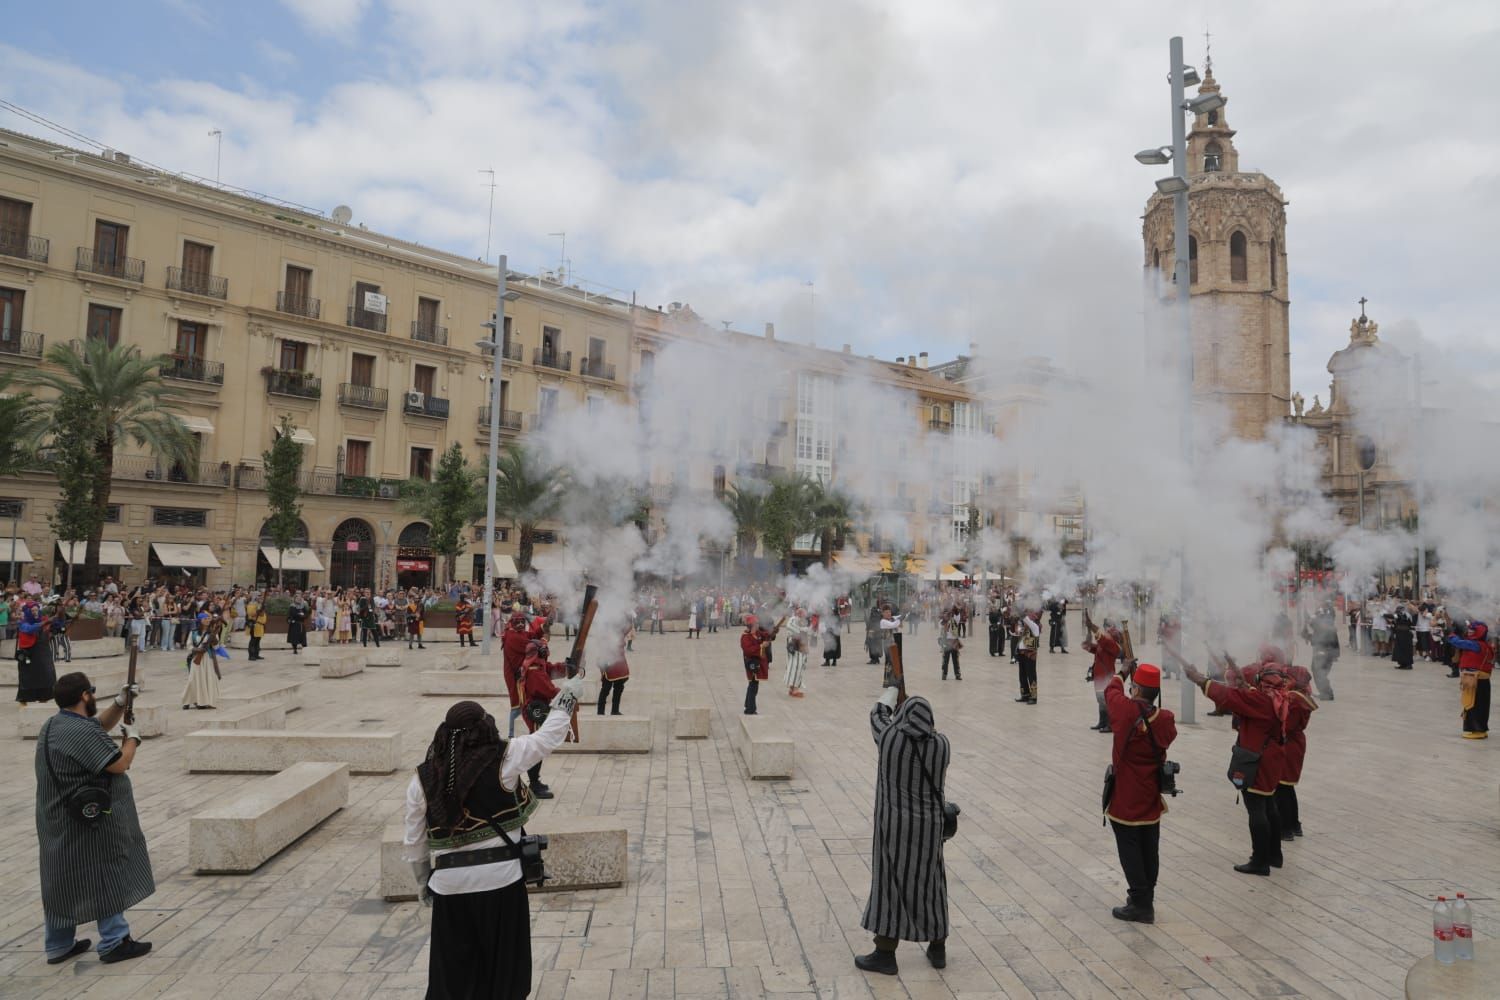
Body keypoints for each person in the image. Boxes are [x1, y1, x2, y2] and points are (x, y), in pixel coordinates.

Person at [402, 679, 584, 999]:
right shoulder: (506, 756)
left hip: (449, 886)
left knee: (454, 979)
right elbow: (546, 738)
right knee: (504, 975)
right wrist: (567, 698)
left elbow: (415, 842)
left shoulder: (422, 777)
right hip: (501, 883)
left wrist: (422, 884)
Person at [35, 672, 154, 965]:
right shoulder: (79, 732)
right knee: (103, 872)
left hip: (57, 819)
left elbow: (97, 726)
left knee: (61, 879)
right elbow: (119, 764)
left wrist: (119, 702)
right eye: (93, 693)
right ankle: (114, 941)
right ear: (85, 696)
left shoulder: (55, 724)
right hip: (86, 822)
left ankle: (58, 945)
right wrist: (133, 738)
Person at [855, 688, 949, 975]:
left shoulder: (891, 741)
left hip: (894, 827)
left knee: (890, 884)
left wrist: (891, 695)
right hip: (930, 828)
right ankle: (938, 947)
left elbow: (877, 716)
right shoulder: (942, 745)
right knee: (931, 884)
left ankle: (885, 953)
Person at [1183, 657, 1287, 876]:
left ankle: (1260, 860)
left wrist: (1200, 680)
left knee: (1256, 809)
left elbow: (1227, 696)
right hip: (1272, 758)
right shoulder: (1277, 697)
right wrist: (1244, 683)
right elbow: (1247, 696)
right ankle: (1274, 855)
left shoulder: (1260, 700)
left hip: (1257, 759)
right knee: (1269, 806)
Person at [1102, 662, 1176, 923]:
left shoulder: (1125, 710)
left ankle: (1141, 903)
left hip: (1126, 793)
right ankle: (1146, 897)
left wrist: (1122, 671)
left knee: (1130, 847)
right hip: (1151, 792)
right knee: (1149, 846)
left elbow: (1110, 691)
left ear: (1136, 688)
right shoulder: (1165, 718)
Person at [517, 639, 566, 798]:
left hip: (534, 709)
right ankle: (534, 784)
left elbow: (550, 669)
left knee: (538, 746)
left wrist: (565, 666)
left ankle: (535, 780)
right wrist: (565, 692)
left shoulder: (536, 664)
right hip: (535, 711)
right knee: (537, 747)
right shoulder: (534, 668)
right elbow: (547, 689)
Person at [1275, 665, 1317, 839]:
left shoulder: (1294, 699)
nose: (1283, 681)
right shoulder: (1299, 697)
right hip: (1295, 743)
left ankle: (1285, 828)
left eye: (1287, 678)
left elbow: (1286, 726)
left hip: (1289, 744)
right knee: (1287, 787)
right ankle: (1294, 824)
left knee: (1282, 787)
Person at [1448, 621, 1492, 739]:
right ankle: (1481, 729)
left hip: (1474, 679)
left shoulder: (1476, 645)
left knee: (1472, 705)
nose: (1470, 631)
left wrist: (1451, 634)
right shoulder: (1484, 645)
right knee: (1481, 706)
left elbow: (1456, 642)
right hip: (1482, 680)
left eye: (1473, 630)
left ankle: (1474, 730)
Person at [15, 601, 57, 711]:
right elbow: (29, 629)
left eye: (36, 610)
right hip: (29, 653)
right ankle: (24, 700)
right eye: (32, 611)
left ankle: (44, 697)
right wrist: (45, 622)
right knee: (27, 676)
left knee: (45, 674)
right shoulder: (22, 622)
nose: (35, 612)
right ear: (28, 612)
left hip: (42, 652)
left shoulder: (43, 619)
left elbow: (56, 625)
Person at [181, 608, 223, 710]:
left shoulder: (213, 632)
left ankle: (204, 702)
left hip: (208, 659)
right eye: (205, 619)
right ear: (200, 621)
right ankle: (187, 701)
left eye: (209, 619)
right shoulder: (194, 632)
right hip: (197, 659)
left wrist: (215, 641)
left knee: (207, 680)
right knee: (192, 680)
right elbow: (189, 646)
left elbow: (217, 648)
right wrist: (197, 650)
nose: (208, 620)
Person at [1083, 625, 1121, 731]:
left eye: (1108, 633)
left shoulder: (1113, 646)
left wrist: (1091, 625)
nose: (1106, 634)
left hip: (1106, 677)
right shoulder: (1104, 645)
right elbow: (1088, 647)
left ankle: (1110, 724)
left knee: (1107, 701)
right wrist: (1088, 638)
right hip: (1099, 677)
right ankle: (1102, 722)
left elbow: (1102, 639)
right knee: (1101, 700)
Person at [1303, 604, 1340, 700]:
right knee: (1320, 672)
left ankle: (1327, 693)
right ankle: (1325, 692)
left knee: (1319, 672)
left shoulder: (1323, 627)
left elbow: (1317, 639)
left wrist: (1307, 635)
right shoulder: (1327, 626)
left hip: (1322, 652)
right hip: (1325, 652)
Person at [740, 615, 771, 715]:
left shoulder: (757, 633)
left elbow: (766, 635)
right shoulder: (745, 637)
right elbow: (749, 651)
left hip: (758, 663)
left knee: (753, 686)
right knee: (753, 687)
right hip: (752, 664)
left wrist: (772, 632)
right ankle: (750, 709)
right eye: (756, 624)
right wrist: (762, 645)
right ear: (751, 625)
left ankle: (748, 706)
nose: (758, 625)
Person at [597, 634, 629, 715]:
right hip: (608, 663)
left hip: (619, 663)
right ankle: (600, 712)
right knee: (605, 689)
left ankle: (615, 710)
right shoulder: (605, 635)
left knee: (619, 688)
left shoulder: (618, 631)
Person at [783, 608, 811, 697]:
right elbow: (789, 626)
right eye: (803, 613)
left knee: (796, 667)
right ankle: (795, 689)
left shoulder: (802, 621)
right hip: (796, 647)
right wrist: (802, 630)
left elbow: (809, 632)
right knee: (795, 668)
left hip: (801, 647)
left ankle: (792, 688)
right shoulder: (793, 619)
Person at [1015, 610, 1040, 704]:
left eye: (1030, 615)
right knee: (1022, 675)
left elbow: (1026, 620)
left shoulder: (1034, 626)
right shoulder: (1024, 627)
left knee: (1031, 676)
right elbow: (1018, 634)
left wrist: (1020, 611)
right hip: (1021, 653)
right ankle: (1025, 694)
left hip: (1030, 654)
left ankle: (1034, 697)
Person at [937, 612, 962, 680]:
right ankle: (944, 674)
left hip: (954, 642)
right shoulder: (942, 623)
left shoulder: (954, 621)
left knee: (955, 660)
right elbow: (941, 631)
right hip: (946, 642)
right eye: (945, 615)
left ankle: (957, 675)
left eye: (948, 615)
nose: (947, 616)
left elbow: (958, 615)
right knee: (945, 660)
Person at [1389, 604, 1414, 670]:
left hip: (1406, 635)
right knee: (1399, 650)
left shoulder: (1406, 615)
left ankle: (1408, 665)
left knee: (1406, 650)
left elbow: (1394, 616)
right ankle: (1402, 664)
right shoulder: (1398, 615)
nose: (1397, 611)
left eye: (1399, 609)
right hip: (1399, 634)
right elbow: (1395, 622)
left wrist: (1383, 614)